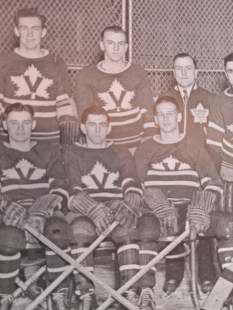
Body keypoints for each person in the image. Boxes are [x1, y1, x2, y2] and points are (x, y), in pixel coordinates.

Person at [64, 105, 161, 310]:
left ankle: (129, 292)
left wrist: (131, 202)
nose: (97, 130)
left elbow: (131, 182)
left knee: (127, 225)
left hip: (116, 208)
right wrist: (93, 208)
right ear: (83, 127)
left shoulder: (120, 150)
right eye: (92, 125)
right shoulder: (72, 151)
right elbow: (73, 188)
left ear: (108, 128)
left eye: (102, 125)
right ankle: (86, 295)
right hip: (85, 210)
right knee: (79, 229)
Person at [135, 96, 233, 296]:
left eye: (170, 113)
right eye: (161, 115)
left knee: (228, 226)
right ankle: (146, 292)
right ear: (155, 119)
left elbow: (213, 182)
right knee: (144, 229)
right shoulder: (145, 148)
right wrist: (153, 199)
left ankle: (226, 290)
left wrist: (202, 205)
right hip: (159, 213)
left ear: (179, 116)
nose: (166, 119)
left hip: (191, 210)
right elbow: (135, 185)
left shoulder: (194, 145)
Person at [0, 103, 71, 310]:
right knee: (9, 238)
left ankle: (60, 295)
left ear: (34, 124)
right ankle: (4, 296)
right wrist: (4, 206)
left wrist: (43, 206)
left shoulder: (49, 150)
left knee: (58, 231)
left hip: (44, 211)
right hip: (9, 212)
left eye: (25, 123)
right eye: (14, 123)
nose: (20, 128)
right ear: (5, 124)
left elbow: (61, 186)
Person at [162, 52, 220, 293]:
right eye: (178, 68)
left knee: (202, 216)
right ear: (173, 72)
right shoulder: (166, 99)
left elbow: (215, 142)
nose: (184, 72)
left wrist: (208, 172)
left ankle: (205, 274)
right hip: (174, 171)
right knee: (171, 216)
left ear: (197, 72)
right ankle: (174, 274)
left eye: (188, 68)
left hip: (201, 170)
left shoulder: (209, 99)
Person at [0, 8, 78, 146]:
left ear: (43, 32)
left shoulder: (56, 62)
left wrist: (67, 143)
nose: (30, 34)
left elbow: (64, 105)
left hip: (48, 143)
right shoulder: (4, 61)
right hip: (9, 144)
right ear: (16, 31)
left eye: (35, 28)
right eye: (24, 28)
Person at [75, 25, 155, 154]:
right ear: (102, 45)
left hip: (135, 145)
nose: (116, 48)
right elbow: (85, 115)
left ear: (126, 47)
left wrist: (148, 143)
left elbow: (147, 108)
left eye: (121, 43)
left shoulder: (138, 72)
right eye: (110, 43)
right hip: (103, 146)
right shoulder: (87, 75)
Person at [207, 52, 233, 183]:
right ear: (225, 74)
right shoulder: (220, 101)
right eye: (231, 71)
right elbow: (214, 145)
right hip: (229, 168)